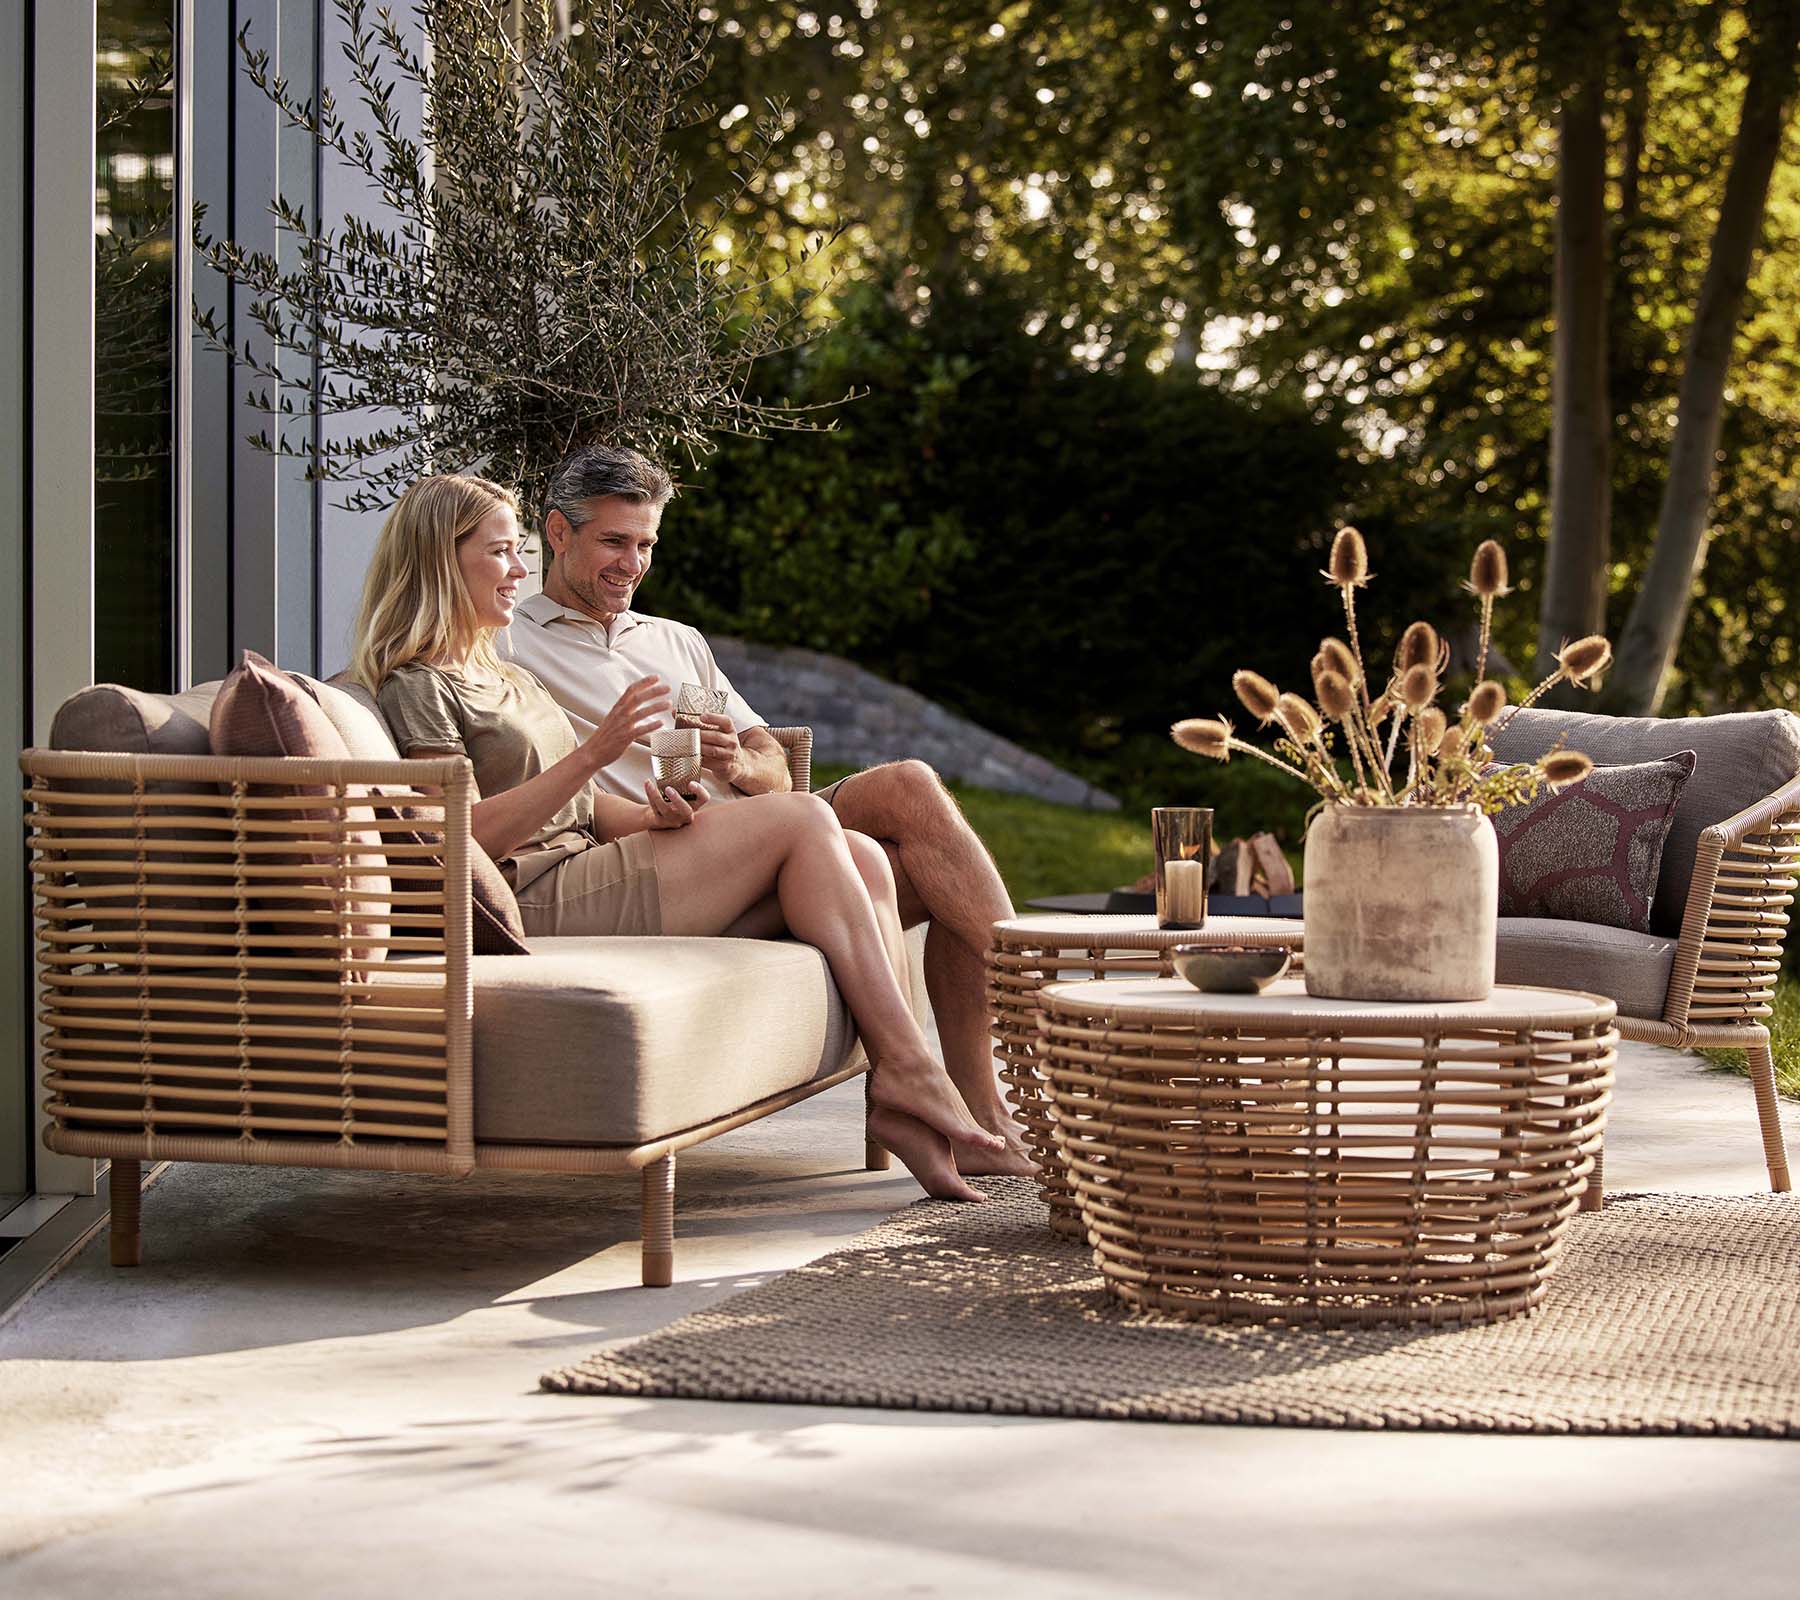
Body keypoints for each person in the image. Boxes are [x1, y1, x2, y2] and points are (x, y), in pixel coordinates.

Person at [350, 472, 1004, 1202]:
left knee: (857, 847)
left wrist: (656, 814)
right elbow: (460, 840)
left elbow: (594, 806)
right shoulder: (420, 684)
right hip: (530, 896)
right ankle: (912, 1073)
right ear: (444, 559)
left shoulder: (498, 671)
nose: (517, 570)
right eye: (502, 553)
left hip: (604, 855)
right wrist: (595, 752)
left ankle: (913, 1086)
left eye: (517, 553)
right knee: (807, 821)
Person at [503, 444, 1033, 1175]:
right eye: (614, 542)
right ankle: (1045, 1021)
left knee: (909, 788)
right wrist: (652, 806)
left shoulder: (676, 641)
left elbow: (774, 767)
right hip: (665, 854)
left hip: (763, 835)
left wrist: (737, 761)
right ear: (558, 534)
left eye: (647, 544)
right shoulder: (507, 644)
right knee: (882, 854)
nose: (633, 563)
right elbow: (534, 779)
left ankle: (987, 1107)